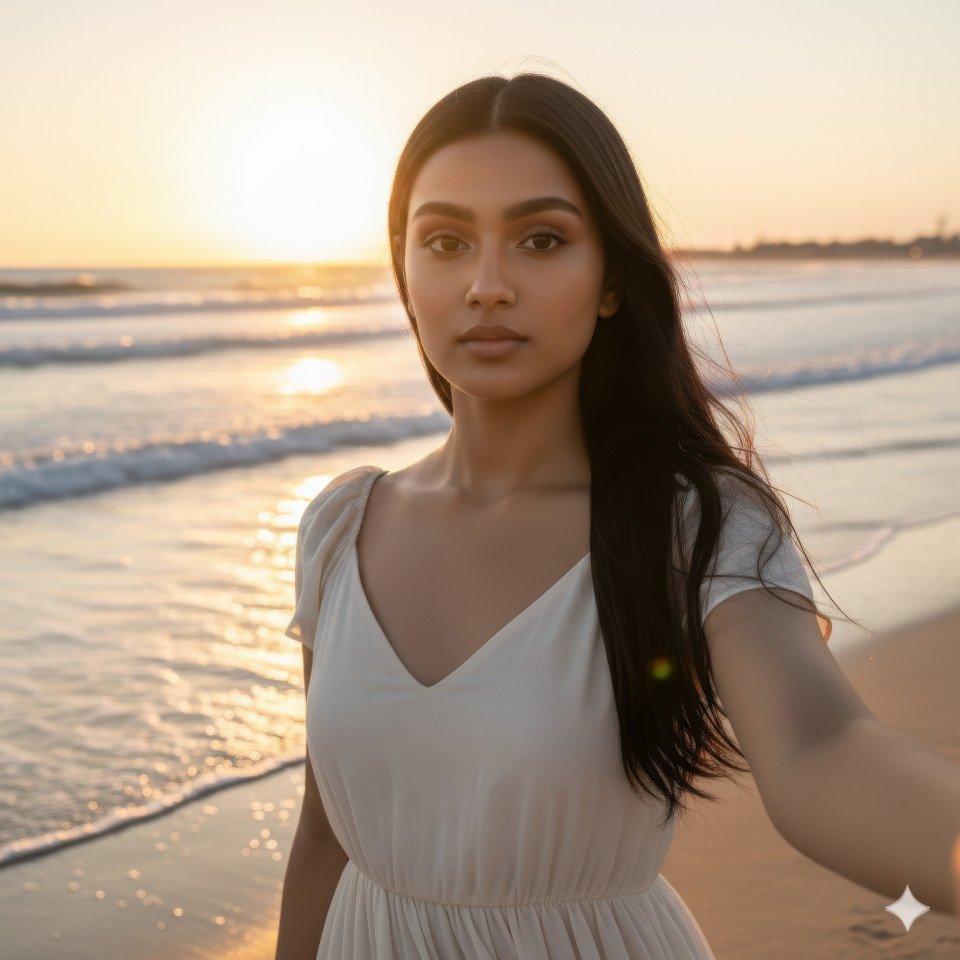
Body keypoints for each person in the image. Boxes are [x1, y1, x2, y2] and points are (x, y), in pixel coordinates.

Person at [273, 73, 960, 959]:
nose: (486, 285)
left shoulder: (695, 524)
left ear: (608, 280)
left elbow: (822, 748)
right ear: (404, 273)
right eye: (444, 240)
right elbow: (326, 839)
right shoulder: (340, 528)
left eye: (541, 239)